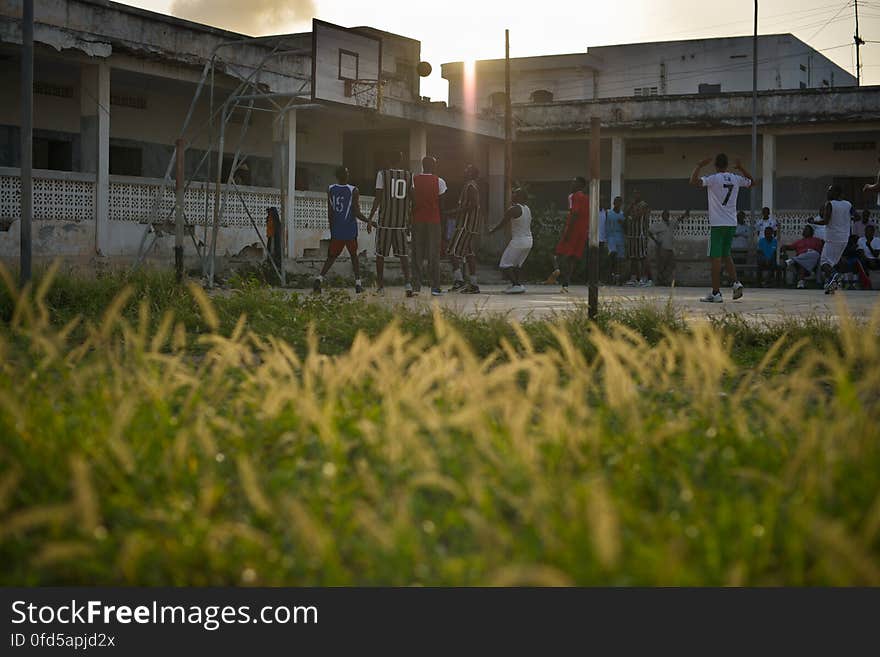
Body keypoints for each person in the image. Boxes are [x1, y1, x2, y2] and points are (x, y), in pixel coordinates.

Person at [690, 153, 753, 303]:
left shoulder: (713, 179)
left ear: (716, 165)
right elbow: (752, 182)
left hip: (717, 224)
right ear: (726, 165)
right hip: (731, 223)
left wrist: (699, 165)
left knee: (716, 259)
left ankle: (716, 293)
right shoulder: (735, 178)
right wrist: (741, 168)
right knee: (726, 255)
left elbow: (693, 181)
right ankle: (736, 282)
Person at [313, 167, 372, 295]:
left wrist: (332, 228)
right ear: (346, 175)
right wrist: (368, 220)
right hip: (349, 228)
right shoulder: (353, 190)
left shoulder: (330, 189)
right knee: (354, 256)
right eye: (347, 172)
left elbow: (330, 212)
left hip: (337, 228)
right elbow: (356, 212)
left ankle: (319, 279)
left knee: (332, 256)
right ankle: (358, 284)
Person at [369, 152, 414, 297]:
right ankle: (408, 285)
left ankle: (381, 286)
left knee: (380, 254)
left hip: (385, 223)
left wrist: (370, 218)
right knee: (403, 254)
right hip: (401, 222)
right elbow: (413, 199)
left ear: (388, 160)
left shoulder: (382, 174)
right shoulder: (409, 176)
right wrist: (410, 220)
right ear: (401, 160)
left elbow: (378, 197)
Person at [411, 156, 447, 297]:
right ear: (433, 166)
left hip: (418, 219)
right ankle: (435, 287)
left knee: (416, 254)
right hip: (434, 220)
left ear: (422, 165)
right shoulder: (440, 181)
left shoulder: (414, 180)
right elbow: (442, 205)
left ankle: (416, 287)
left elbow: (412, 202)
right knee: (434, 255)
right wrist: (442, 225)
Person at [446, 164, 482, 294]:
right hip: (469, 225)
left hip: (465, 225)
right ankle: (473, 284)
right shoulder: (471, 185)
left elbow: (473, 205)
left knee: (451, 251)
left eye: (467, 169)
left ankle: (459, 281)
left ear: (471, 173)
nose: (464, 171)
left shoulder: (471, 186)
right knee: (469, 253)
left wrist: (455, 211)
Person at [810, 184, 852, 295]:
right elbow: (856, 217)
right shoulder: (848, 204)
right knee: (832, 263)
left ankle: (835, 276)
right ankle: (831, 286)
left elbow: (825, 221)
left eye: (829, 191)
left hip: (832, 238)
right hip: (844, 239)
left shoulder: (830, 204)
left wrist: (813, 221)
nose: (827, 193)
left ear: (835, 193)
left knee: (824, 263)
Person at [489, 187, 532, 294]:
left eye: (515, 194)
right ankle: (518, 285)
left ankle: (516, 285)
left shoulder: (513, 209)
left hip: (518, 241)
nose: (512, 195)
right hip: (529, 240)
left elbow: (502, 223)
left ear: (520, 197)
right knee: (517, 265)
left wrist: (491, 231)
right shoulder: (527, 208)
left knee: (505, 264)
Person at [551, 176, 590, 293]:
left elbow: (575, 213)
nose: (572, 184)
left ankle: (557, 269)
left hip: (573, 230)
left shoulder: (574, 196)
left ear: (580, 185)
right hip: (582, 231)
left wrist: (568, 231)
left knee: (555, 254)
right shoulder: (587, 198)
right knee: (572, 259)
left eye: (574, 183)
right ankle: (565, 285)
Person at [624, 190, 652, 286]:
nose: (634, 196)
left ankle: (646, 279)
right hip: (632, 235)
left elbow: (636, 216)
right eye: (633, 194)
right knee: (633, 258)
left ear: (640, 195)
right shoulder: (632, 205)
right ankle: (633, 278)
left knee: (642, 257)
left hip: (641, 235)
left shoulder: (644, 205)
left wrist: (630, 216)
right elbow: (625, 214)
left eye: (636, 194)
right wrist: (631, 206)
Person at [782, 225, 824, 289]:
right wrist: (784, 247)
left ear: (811, 232)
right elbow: (789, 247)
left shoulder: (817, 240)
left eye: (807, 230)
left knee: (814, 253)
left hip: (813, 261)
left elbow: (823, 248)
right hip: (802, 262)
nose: (805, 231)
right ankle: (800, 283)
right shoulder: (799, 241)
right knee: (802, 264)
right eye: (805, 229)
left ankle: (792, 260)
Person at [650, 209, 677, 286]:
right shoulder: (659, 224)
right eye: (665, 215)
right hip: (662, 248)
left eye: (668, 215)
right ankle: (660, 281)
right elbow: (650, 232)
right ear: (662, 216)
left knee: (671, 265)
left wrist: (685, 215)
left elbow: (678, 220)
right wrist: (656, 241)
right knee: (661, 265)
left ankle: (665, 280)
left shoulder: (671, 223)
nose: (667, 216)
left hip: (670, 248)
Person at [605, 196, 626, 285]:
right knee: (612, 256)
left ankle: (618, 277)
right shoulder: (608, 213)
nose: (618, 204)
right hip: (611, 237)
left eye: (620, 202)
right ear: (613, 203)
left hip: (620, 237)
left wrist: (623, 223)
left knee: (620, 259)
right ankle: (610, 276)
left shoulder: (622, 214)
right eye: (616, 202)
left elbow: (625, 227)